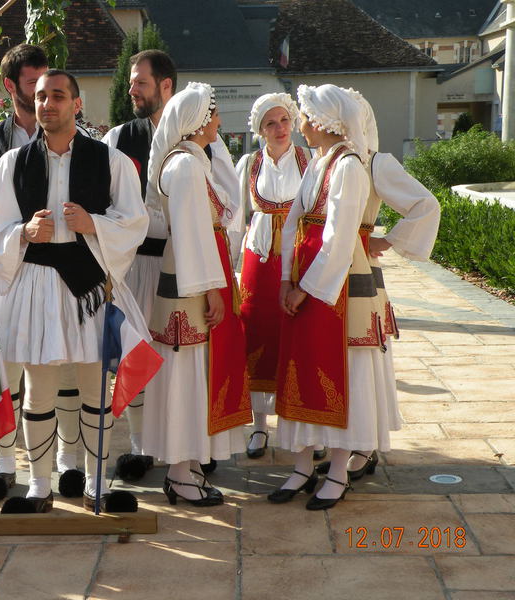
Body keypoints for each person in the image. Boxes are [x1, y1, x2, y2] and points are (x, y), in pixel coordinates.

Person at [0, 69, 149, 513]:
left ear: (77, 104)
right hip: (35, 285)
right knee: (39, 390)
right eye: (41, 96)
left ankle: (96, 484)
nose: (47, 104)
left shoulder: (110, 160)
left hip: (89, 283)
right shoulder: (12, 163)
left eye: (58, 96)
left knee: (95, 389)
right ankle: (39, 487)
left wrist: (93, 224)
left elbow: (135, 221)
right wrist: (23, 232)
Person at [0, 44, 85, 500]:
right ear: (11, 87)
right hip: (8, 261)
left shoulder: (75, 134)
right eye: (33, 84)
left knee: (64, 366)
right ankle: (5, 461)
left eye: (49, 84)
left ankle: (69, 462)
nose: (43, 93)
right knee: (4, 367)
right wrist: (7, 197)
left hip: (63, 265)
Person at [102, 50, 240, 480]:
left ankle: (193, 442)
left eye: (140, 82)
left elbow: (230, 203)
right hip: (137, 262)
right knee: (139, 355)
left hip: (182, 263)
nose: (131, 89)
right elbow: (108, 201)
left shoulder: (206, 146)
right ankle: (143, 444)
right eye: (131, 81)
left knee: (184, 357)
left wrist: (222, 265)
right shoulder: (120, 138)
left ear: (166, 86)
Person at [271, 84, 392, 510]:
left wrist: (306, 289)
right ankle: (303, 465)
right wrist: (285, 279)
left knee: (341, 376)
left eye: (304, 117)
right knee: (301, 372)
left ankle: (338, 470)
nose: (300, 124)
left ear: (324, 121)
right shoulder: (319, 163)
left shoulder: (349, 167)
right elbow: (293, 223)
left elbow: (339, 238)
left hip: (330, 290)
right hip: (304, 283)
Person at [314, 92, 440, 480]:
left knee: (359, 361)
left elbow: (426, 204)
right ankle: (348, 444)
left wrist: (387, 240)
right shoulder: (325, 162)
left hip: (359, 274)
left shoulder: (372, 163)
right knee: (337, 360)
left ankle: (363, 445)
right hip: (327, 269)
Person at [142, 82, 251, 506]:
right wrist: (210, 290)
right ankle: (178, 472)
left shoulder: (189, 161)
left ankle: (187, 467)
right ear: (199, 121)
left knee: (193, 377)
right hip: (190, 289)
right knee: (186, 377)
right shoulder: (185, 166)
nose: (219, 121)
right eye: (214, 113)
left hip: (193, 281)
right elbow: (190, 235)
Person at [234, 93, 309, 459]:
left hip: (297, 257)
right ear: (260, 129)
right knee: (256, 333)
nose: (280, 128)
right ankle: (260, 425)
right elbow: (236, 219)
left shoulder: (309, 160)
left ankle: (303, 424)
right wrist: (228, 267)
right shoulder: (249, 163)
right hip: (259, 258)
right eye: (271, 123)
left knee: (297, 334)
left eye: (284, 120)